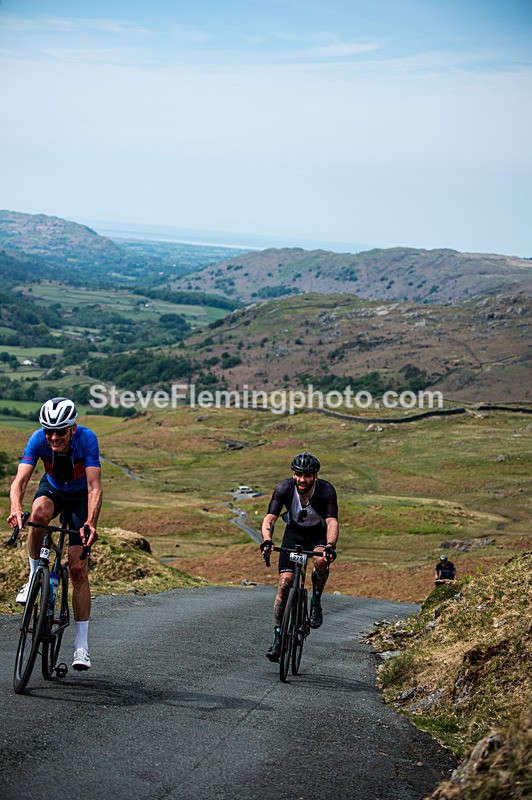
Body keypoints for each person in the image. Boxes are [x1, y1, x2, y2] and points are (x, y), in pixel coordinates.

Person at [7, 397, 102, 671]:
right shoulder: (38, 439)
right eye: (49, 430)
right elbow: (20, 481)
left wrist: (90, 522)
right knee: (37, 516)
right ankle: (34, 574)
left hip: (80, 499)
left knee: (77, 569)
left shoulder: (87, 439)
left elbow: (94, 487)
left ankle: (81, 646)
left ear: (73, 428)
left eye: (60, 431)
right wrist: (15, 509)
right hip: (53, 490)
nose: (54, 437)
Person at [260, 452, 339, 662]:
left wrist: (330, 546)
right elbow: (270, 517)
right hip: (293, 534)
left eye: (308, 475)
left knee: (321, 561)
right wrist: (267, 539)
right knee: (285, 585)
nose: (302, 479)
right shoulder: (284, 488)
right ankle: (278, 639)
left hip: (317, 535)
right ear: (293, 474)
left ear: (315, 476)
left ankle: (316, 601)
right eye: (298, 474)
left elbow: (332, 521)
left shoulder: (326, 491)